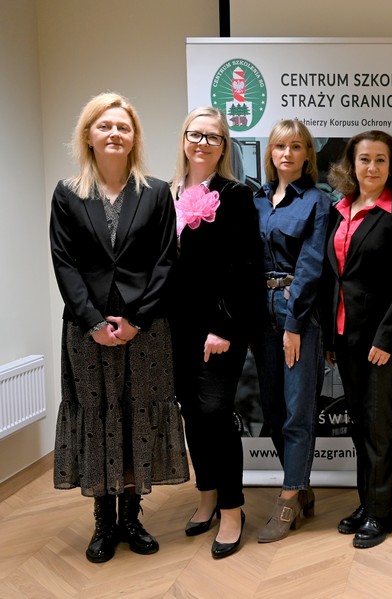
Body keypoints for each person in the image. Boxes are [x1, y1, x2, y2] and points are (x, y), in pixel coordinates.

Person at [50, 92, 189, 563]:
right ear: (88, 135)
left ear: (134, 138)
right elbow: (64, 263)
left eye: (123, 127)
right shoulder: (68, 193)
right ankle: (103, 522)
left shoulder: (156, 192)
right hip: (86, 329)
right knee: (99, 415)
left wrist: (137, 320)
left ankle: (132, 517)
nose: (114, 133)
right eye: (104, 125)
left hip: (145, 328)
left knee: (136, 415)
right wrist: (92, 321)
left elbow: (165, 262)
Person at [321, 130, 392, 549]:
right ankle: (367, 503)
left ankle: (382, 514)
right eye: (364, 159)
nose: (372, 167)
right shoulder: (339, 209)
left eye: (381, 159)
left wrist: (388, 338)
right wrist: (330, 337)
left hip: (381, 339)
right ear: (352, 164)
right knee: (359, 425)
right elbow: (333, 277)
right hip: (344, 335)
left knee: (379, 427)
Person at [170, 106, 261, 559]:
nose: (203, 142)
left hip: (219, 327)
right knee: (191, 412)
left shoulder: (236, 195)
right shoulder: (166, 193)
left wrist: (223, 326)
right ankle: (206, 495)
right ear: (184, 139)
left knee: (215, 412)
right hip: (175, 327)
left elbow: (245, 266)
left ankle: (231, 509)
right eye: (196, 134)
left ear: (224, 146)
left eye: (213, 136)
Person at [252, 119, 332, 543]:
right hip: (259, 315)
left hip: (297, 312)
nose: (287, 153)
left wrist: (295, 323)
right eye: (280, 146)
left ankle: (287, 498)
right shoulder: (257, 201)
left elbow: (312, 264)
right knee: (273, 412)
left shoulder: (317, 201)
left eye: (296, 146)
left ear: (307, 155)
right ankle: (301, 486)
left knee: (298, 411)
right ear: (271, 152)